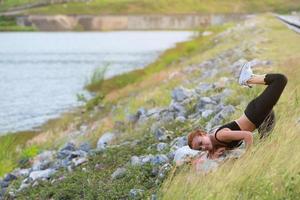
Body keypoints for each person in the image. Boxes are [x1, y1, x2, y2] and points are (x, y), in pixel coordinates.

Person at [188, 61, 288, 159]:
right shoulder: (216, 143)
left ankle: (248, 79)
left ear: (204, 134)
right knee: (266, 147)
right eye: (200, 149)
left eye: (201, 143)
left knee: (280, 79)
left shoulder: (220, 135)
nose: (203, 147)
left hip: (255, 113)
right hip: (262, 119)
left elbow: (248, 135)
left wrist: (247, 156)